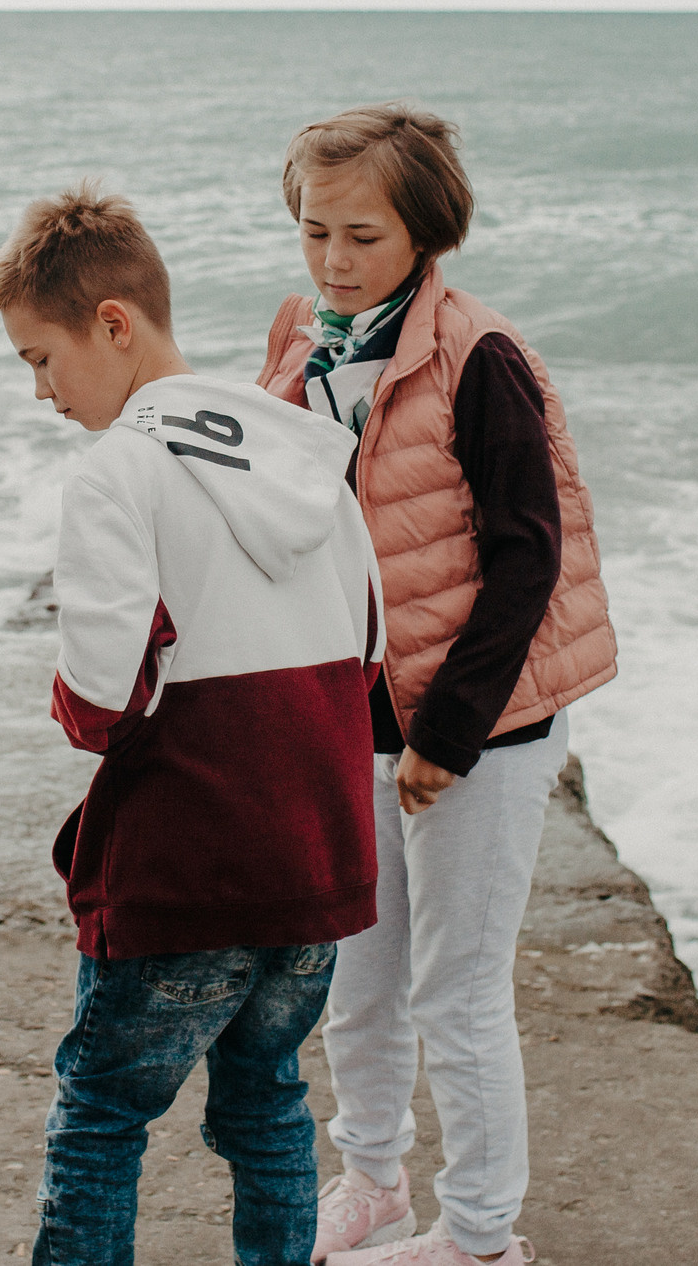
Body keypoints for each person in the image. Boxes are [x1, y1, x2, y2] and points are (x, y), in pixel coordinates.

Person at [0, 184, 386, 1266]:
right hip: (314, 862)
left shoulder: (116, 473)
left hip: (185, 869)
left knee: (103, 1117)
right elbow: (370, 654)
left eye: (40, 358)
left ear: (112, 323)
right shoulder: (307, 457)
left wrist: (85, 694)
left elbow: (98, 701)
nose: (40, 391)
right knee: (268, 1103)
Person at [255, 105, 618, 1266]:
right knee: (355, 984)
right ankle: (372, 1183)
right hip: (347, 719)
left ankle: (480, 1239)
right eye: (314, 231)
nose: (333, 260)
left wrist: (446, 737)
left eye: (362, 237)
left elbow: (529, 558)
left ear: (425, 234)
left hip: (481, 730)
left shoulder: (478, 356)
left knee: (455, 996)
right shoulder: (301, 342)